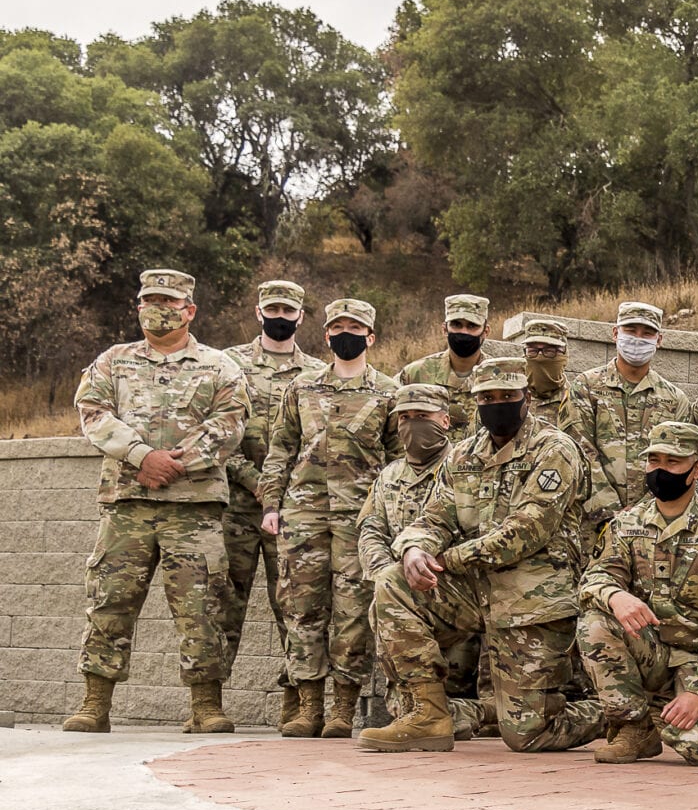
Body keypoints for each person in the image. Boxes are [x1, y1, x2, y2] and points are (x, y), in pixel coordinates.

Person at [358, 358, 605, 754]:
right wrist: (415, 548)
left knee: (528, 736)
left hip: (532, 599)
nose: (497, 404)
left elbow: (525, 532)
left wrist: (447, 560)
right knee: (394, 583)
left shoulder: (555, 449)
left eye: (507, 396)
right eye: (487, 398)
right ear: (474, 402)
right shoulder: (464, 455)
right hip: (475, 590)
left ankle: (624, 710)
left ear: (525, 397)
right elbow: (435, 515)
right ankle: (428, 714)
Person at [64, 269, 248, 735]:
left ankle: (206, 706)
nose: (156, 308)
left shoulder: (219, 365)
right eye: (148, 299)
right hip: (128, 504)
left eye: (167, 301)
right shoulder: (113, 360)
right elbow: (92, 412)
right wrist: (142, 456)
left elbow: (230, 422)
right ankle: (94, 702)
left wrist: (177, 463)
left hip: (194, 507)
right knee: (110, 599)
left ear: (189, 310)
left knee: (203, 607)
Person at [258, 298, 400, 739]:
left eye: (354, 327)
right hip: (303, 516)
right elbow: (280, 449)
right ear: (325, 335)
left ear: (370, 337)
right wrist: (270, 505)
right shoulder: (300, 388)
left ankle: (343, 707)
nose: (345, 333)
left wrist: (392, 518)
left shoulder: (389, 393)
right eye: (337, 326)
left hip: (360, 519)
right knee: (300, 610)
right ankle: (308, 706)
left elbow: (398, 462)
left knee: (354, 612)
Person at [578, 420, 698, 765]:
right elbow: (592, 579)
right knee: (595, 623)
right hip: (652, 653)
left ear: (697, 469)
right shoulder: (626, 524)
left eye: (673, 462)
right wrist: (616, 596)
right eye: (654, 461)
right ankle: (634, 728)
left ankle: (663, 712)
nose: (661, 470)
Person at [356, 384, 488, 739]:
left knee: (493, 700)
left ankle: (480, 711)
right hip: (409, 600)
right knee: (406, 705)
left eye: (422, 417)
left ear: (445, 420)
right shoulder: (389, 476)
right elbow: (371, 531)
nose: (412, 425)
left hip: (460, 594)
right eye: (405, 418)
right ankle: (438, 714)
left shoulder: (466, 467)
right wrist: (390, 574)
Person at [222, 278, 323, 730]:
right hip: (238, 506)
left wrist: (280, 494)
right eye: (273, 310)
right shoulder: (229, 365)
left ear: (301, 317)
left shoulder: (318, 374)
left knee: (295, 607)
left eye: (289, 311)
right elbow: (220, 433)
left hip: (294, 510)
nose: (280, 318)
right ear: (259, 312)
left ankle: (298, 700)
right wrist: (260, 486)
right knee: (222, 604)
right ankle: (207, 704)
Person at [566, 301, 695, 540]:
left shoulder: (675, 399)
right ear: (615, 333)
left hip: (654, 525)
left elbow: (681, 461)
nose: (638, 338)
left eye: (647, 333)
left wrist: (643, 510)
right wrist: (610, 510)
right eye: (630, 330)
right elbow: (579, 451)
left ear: (659, 340)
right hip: (593, 524)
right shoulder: (586, 387)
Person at [398, 294, 499, 436]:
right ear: (444, 329)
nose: (464, 332)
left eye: (472, 326)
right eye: (457, 324)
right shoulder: (414, 374)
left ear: (486, 331)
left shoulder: (499, 376)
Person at [518, 318, 574, 428]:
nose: (539, 357)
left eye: (549, 351)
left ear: (564, 355)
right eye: (533, 351)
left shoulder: (578, 402)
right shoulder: (510, 398)